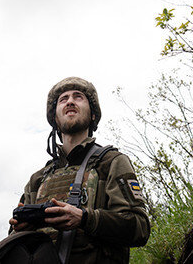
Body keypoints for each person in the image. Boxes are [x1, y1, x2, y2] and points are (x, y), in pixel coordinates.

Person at [8, 76, 150, 263]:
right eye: (63, 99)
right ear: (55, 119)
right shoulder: (38, 179)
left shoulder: (111, 162)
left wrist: (84, 219)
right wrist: (20, 229)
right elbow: (13, 242)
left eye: (78, 97)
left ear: (92, 114)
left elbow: (140, 228)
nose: (70, 102)